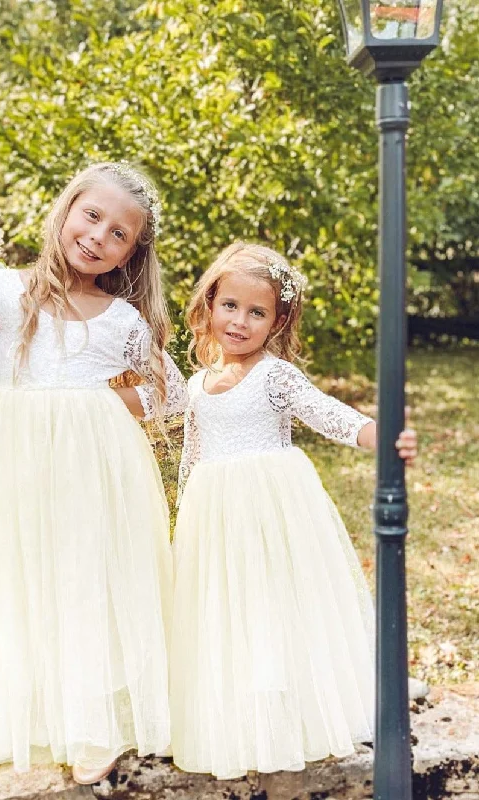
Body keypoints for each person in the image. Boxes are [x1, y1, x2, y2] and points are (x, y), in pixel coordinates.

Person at [0, 162, 187, 783]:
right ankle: (43, 711)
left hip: (95, 467)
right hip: (15, 461)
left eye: (119, 233)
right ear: (66, 210)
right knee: (28, 573)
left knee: (87, 578)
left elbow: (168, 393)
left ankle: (93, 723)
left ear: (132, 251)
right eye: (92, 215)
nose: (99, 235)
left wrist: (96, 406)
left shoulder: (122, 319)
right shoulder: (3, 292)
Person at [170, 241, 418, 780]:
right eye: (230, 306)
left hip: (271, 506)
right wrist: (184, 521)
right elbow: (192, 456)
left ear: (277, 320)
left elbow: (326, 413)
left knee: (276, 599)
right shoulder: (195, 387)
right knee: (228, 606)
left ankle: (293, 696)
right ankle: (242, 701)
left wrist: (382, 434)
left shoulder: (275, 376)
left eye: (257, 312)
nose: (239, 322)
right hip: (213, 514)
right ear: (210, 305)